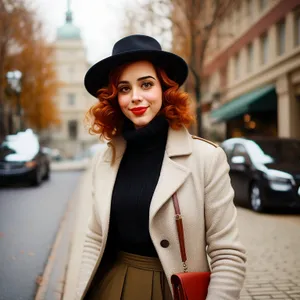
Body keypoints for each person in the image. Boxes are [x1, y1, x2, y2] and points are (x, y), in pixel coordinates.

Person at [76, 34, 246, 300]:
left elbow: (228, 254)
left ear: (165, 90)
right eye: (124, 88)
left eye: (146, 84)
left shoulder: (206, 158)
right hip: (110, 287)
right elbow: (94, 238)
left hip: (175, 290)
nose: (135, 97)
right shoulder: (105, 160)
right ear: (114, 98)